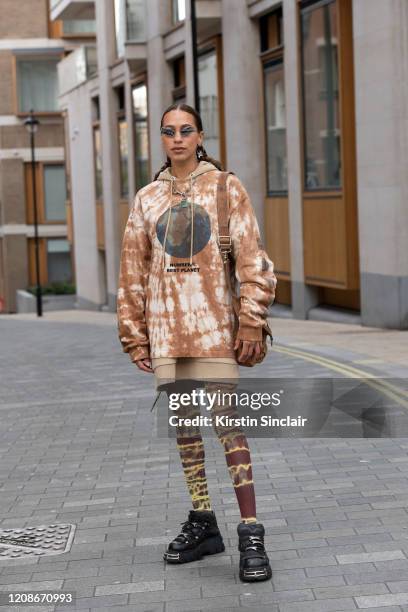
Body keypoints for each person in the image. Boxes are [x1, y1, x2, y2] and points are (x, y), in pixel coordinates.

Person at [117, 103, 277, 582]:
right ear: (161, 139)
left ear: (200, 135)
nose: (177, 138)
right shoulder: (147, 199)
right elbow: (132, 274)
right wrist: (134, 335)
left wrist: (250, 321)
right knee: (186, 431)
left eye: (186, 130)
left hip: (214, 331)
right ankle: (204, 521)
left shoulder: (226, 188)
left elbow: (254, 263)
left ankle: (251, 531)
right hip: (167, 332)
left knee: (229, 430)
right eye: (168, 131)